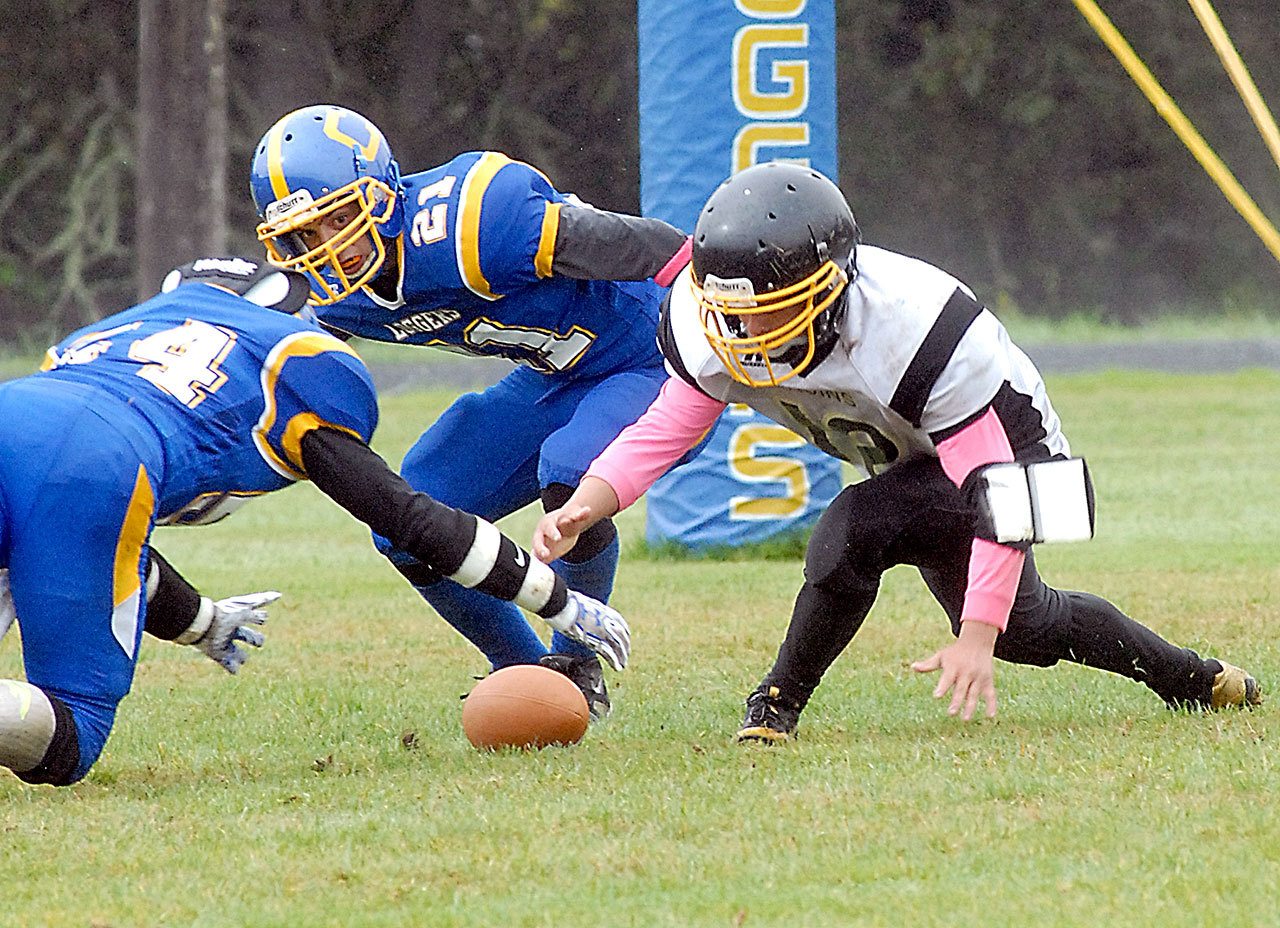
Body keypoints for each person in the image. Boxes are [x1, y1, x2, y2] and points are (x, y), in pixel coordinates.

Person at [533, 161, 1261, 743]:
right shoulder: (709, 323)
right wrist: (588, 504)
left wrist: (976, 637)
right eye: (734, 312)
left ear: (832, 284)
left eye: (772, 310)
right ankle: (1193, 680)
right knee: (1022, 624)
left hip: (1011, 449)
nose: (748, 332)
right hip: (912, 454)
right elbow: (669, 427)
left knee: (914, 564)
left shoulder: (915, 331)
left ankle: (775, 705)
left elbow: (997, 488)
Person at [0, 257, 629, 787]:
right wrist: (557, 603)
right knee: (71, 733)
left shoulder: (112, 333)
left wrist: (200, 621)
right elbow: (410, 520)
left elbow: (113, 546)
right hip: (94, 468)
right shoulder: (291, 364)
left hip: (15, 409)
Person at [249, 104, 692, 719]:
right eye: (306, 236)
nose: (329, 248)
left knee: (569, 475)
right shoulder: (333, 298)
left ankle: (575, 664)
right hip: (557, 373)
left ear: (379, 191)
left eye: (339, 218)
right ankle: (525, 673)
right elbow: (270, 365)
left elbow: (657, 248)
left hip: (652, 356)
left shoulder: (474, 221)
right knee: (408, 519)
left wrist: (723, 329)